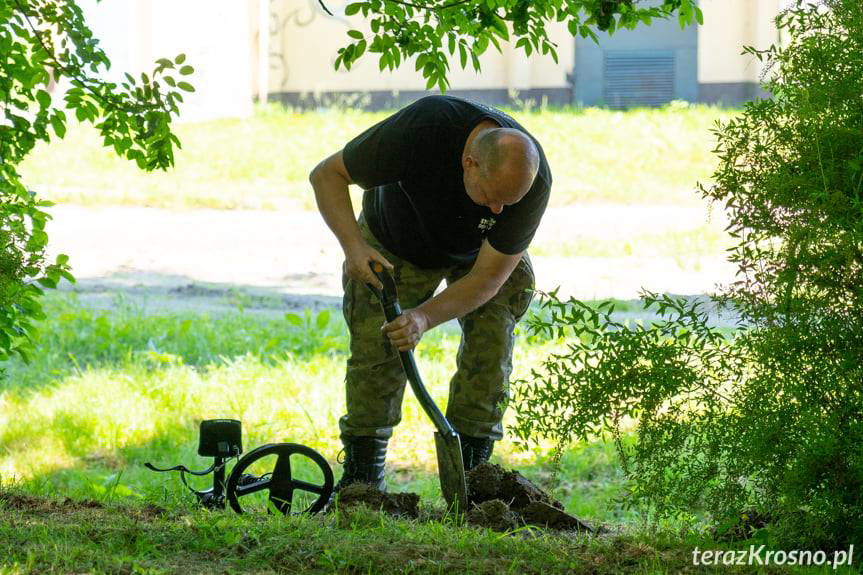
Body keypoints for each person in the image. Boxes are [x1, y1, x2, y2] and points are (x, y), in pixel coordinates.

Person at [309, 95, 552, 492]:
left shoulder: (532, 182)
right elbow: (326, 175)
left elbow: (488, 278)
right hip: (395, 241)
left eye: (507, 202)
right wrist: (354, 247)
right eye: (491, 196)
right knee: (379, 347)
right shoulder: (423, 129)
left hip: (480, 256)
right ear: (469, 163)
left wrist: (423, 317)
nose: (497, 209)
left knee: (492, 347)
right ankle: (363, 480)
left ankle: (473, 478)